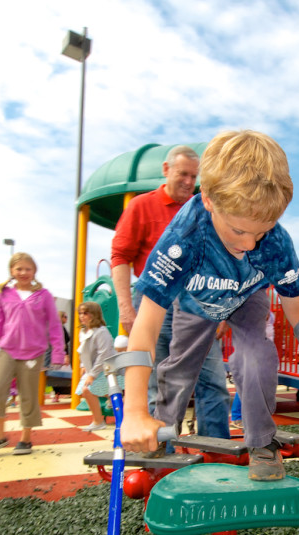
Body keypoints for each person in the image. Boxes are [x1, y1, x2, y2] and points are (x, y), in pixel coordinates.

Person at [120, 129, 299, 481]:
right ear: (210, 199)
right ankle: (158, 438)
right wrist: (135, 411)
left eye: (259, 231)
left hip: (248, 294)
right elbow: (147, 326)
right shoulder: (184, 238)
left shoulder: (275, 243)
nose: (248, 244)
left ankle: (262, 441)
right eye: (237, 231)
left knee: (256, 353)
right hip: (197, 301)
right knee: (180, 369)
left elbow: (298, 312)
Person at [110, 144, 230, 439]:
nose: (189, 182)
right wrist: (126, 308)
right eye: (182, 174)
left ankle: (217, 455)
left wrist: (223, 310)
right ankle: (162, 459)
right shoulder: (141, 206)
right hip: (155, 302)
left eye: (194, 176)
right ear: (166, 171)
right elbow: (120, 257)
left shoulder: (207, 209)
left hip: (201, 303)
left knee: (213, 382)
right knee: (158, 384)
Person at [0, 253, 67, 455]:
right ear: (12, 271)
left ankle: (25, 439)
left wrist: (58, 353)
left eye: (28, 269)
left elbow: (54, 326)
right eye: (19, 269)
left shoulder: (43, 295)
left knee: (28, 395)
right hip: (6, 350)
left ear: (34, 271)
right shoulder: (4, 294)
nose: (23, 273)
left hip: (33, 353)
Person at [76, 301, 122, 431]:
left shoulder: (101, 331)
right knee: (90, 391)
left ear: (94, 314)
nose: (82, 316)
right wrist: (82, 366)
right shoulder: (84, 331)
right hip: (95, 369)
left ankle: (98, 420)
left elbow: (104, 353)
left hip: (107, 369)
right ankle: (106, 410)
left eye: (86, 313)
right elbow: (83, 351)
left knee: (87, 390)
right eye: (80, 313)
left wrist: (92, 374)